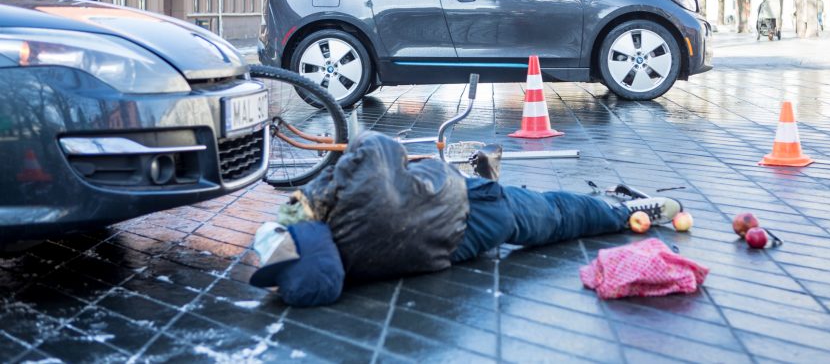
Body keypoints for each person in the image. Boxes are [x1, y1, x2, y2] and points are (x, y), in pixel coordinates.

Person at [250, 131, 682, 307]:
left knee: (544, 217)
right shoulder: (345, 198)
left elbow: (312, 281)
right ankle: (622, 212)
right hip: (467, 204)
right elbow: (380, 146)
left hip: (460, 243)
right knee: (555, 212)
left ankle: (611, 215)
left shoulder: (348, 272)